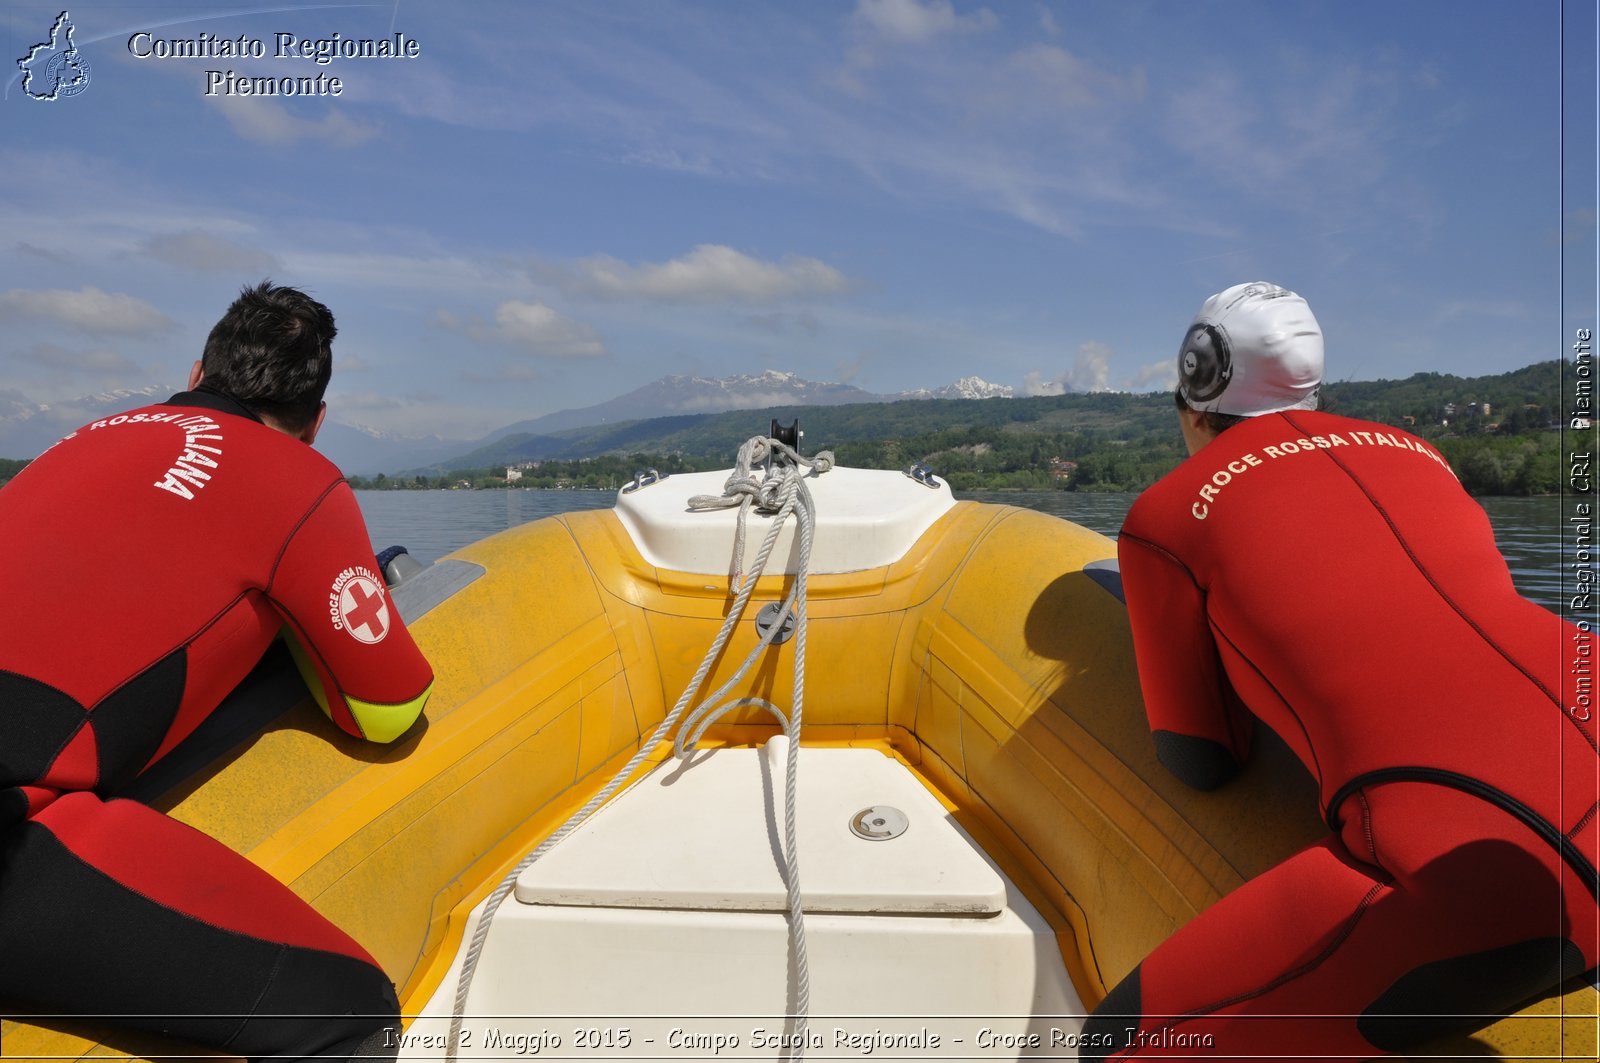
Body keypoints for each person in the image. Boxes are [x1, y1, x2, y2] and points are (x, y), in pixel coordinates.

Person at [1082, 282, 1597, 1059]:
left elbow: (1204, 758)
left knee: (1118, 1043)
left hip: (1484, 874)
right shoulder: (1422, 453)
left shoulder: (1164, 516)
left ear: (1195, 388)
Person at [0, 282, 434, 1060]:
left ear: (197, 370)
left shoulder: (78, 442)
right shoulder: (299, 479)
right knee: (348, 1010)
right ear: (318, 421)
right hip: (11, 833)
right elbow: (385, 709)